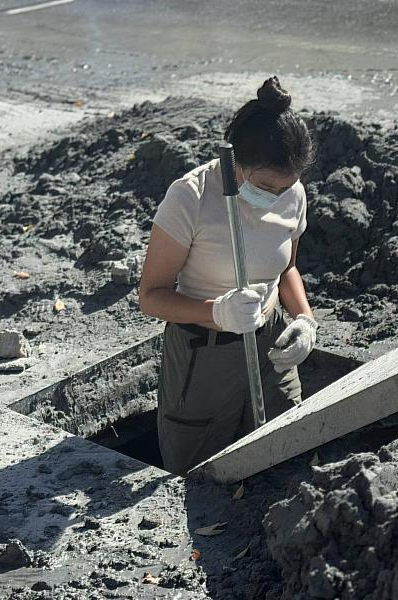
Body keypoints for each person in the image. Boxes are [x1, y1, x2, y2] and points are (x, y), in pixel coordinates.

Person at [138, 77, 317, 476]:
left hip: (271, 342)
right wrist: (216, 312)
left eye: (285, 187)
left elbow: (287, 267)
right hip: (204, 352)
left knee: (286, 451)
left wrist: (304, 320)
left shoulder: (294, 192)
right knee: (200, 473)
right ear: (235, 160)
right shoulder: (191, 198)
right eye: (267, 186)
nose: (277, 195)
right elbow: (151, 295)